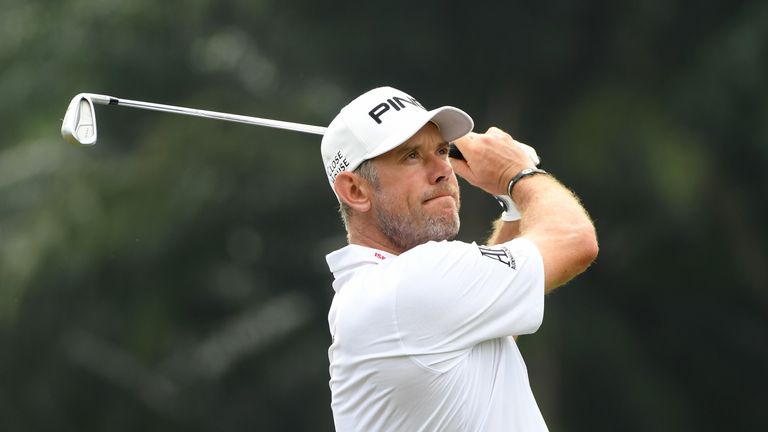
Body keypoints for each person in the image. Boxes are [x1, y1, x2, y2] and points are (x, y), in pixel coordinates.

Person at [320, 86, 598, 431]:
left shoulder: (384, 290)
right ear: (355, 191)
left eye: (442, 150)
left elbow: (490, 326)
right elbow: (574, 239)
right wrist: (517, 174)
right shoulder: (409, 283)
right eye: (411, 156)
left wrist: (512, 203)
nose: (443, 169)